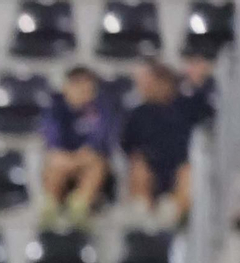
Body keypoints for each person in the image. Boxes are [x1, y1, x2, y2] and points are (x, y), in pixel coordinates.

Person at [40, 66, 116, 229]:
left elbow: (99, 143)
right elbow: (52, 143)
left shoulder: (101, 108)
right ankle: (50, 206)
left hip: (87, 164)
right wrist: (69, 160)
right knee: (54, 165)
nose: (84, 90)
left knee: (97, 165)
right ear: (67, 86)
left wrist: (78, 159)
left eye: (88, 86)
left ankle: (80, 206)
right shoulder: (55, 107)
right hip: (63, 163)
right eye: (78, 85)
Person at [121, 59, 194, 225]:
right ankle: (142, 210)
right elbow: (127, 146)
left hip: (177, 165)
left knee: (187, 172)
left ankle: (172, 211)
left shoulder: (183, 110)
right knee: (138, 166)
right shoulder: (138, 114)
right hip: (149, 166)